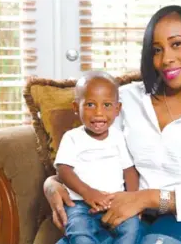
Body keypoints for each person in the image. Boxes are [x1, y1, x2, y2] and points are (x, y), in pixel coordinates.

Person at [45, 5, 181, 244]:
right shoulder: (125, 100)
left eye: (177, 44)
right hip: (130, 213)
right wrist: (51, 183)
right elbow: (94, 152)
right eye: (157, 50)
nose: (166, 59)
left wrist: (149, 198)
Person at [54, 71, 141, 244]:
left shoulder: (118, 137)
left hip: (114, 202)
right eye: (90, 105)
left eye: (107, 105)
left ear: (118, 109)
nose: (99, 113)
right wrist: (88, 193)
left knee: (132, 229)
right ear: (75, 107)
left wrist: (132, 200)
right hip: (80, 204)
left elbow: (129, 171)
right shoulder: (72, 137)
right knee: (79, 234)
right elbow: (63, 170)